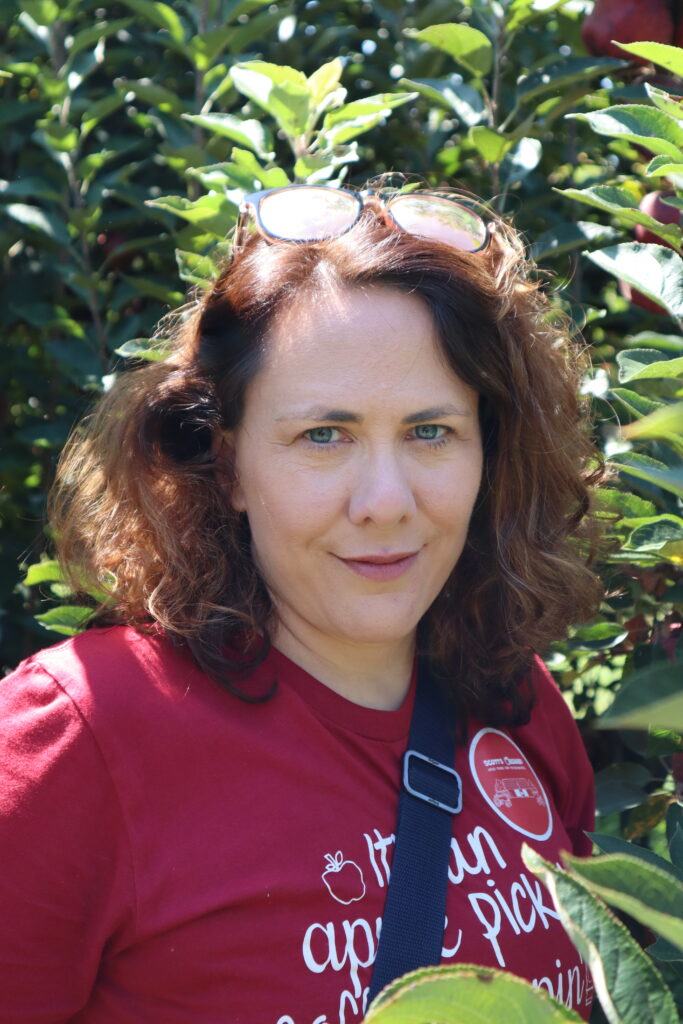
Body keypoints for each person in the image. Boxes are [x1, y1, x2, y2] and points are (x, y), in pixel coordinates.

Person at [0, 183, 603, 1023]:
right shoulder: (78, 739)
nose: (385, 501)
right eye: (324, 435)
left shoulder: (517, 700)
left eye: (431, 431)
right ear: (227, 462)